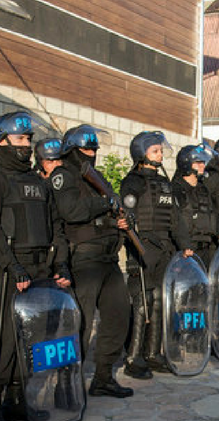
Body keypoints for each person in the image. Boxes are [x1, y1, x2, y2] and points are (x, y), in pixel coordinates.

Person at [0, 111, 71, 421]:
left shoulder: (37, 182)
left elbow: (55, 225)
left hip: (39, 268)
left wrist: (60, 266)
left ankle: (17, 400)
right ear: (2, 141)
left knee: (30, 338)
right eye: (20, 139)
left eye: (28, 140)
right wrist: (13, 266)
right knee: (2, 341)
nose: (26, 145)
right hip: (5, 269)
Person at [51, 124, 133, 398]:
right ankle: (66, 385)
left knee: (118, 317)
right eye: (86, 149)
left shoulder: (96, 177)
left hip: (108, 258)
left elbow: (110, 208)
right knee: (80, 325)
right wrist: (107, 203)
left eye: (94, 149)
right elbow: (71, 211)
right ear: (72, 151)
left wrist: (119, 219)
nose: (91, 153)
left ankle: (103, 377)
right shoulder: (63, 176)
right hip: (83, 259)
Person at [120, 131, 188, 379]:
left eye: (161, 150)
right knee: (142, 303)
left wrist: (185, 245)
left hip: (165, 249)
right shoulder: (133, 182)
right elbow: (126, 217)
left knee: (159, 301)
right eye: (155, 151)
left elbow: (176, 219)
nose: (160, 154)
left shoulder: (164, 183)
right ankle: (133, 357)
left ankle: (152, 353)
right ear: (142, 154)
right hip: (143, 248)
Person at [171, 144, 219, 268]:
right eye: (198, 162)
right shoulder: (176, 189)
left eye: (203, 162)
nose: (202, 166)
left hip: (207, 249)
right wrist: (184, 244)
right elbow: (174, 220)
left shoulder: (204, 190)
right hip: (186, 251)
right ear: (186, 164)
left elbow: (214, 215)